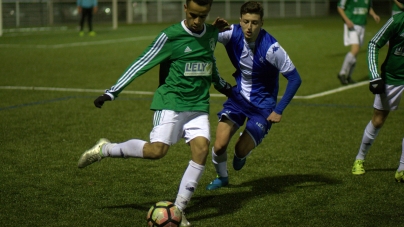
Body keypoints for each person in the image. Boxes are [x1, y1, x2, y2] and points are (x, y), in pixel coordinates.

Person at [77, 0, 232, 226]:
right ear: (185, 8)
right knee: (157, 151)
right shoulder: (170, 36)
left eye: (203, 16)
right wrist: (112, 92)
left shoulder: (211, 33)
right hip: (171, 102)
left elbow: (208, 62)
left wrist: (223, 86)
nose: (198, 21)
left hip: (198, 105)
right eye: (194, 15)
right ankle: (106, 148)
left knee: (201, 151)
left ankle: (178, 210)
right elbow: (142, 62)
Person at [205, 1, 302, 191]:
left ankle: (243, 149)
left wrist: (278, 110)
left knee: (239, 151)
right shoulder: (232, 33)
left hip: (263, 108)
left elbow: (295, 79)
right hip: (238, 98)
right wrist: (211, 30)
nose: (249, 27)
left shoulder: (272, 49)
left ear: (262, 23)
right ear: (240, 21)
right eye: (246, 21)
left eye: (255, 23)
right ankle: (222, 177)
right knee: (219, 145)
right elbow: (202, 37)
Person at [351, 11, 404, 182]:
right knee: (378, 119)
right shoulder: (397, 20)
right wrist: (374, 76)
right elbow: (374, 43)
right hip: (393, 77)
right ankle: (359, 158)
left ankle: (402, 168)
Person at [336, 0, 380, 85]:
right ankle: (342, 73)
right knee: (355, 49)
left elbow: (368, 8)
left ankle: (349, 76)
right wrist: (347, 20)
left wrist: (374, 15)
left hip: (362, 25)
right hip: (352, 24)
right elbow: (340, 7)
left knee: (356, 52)